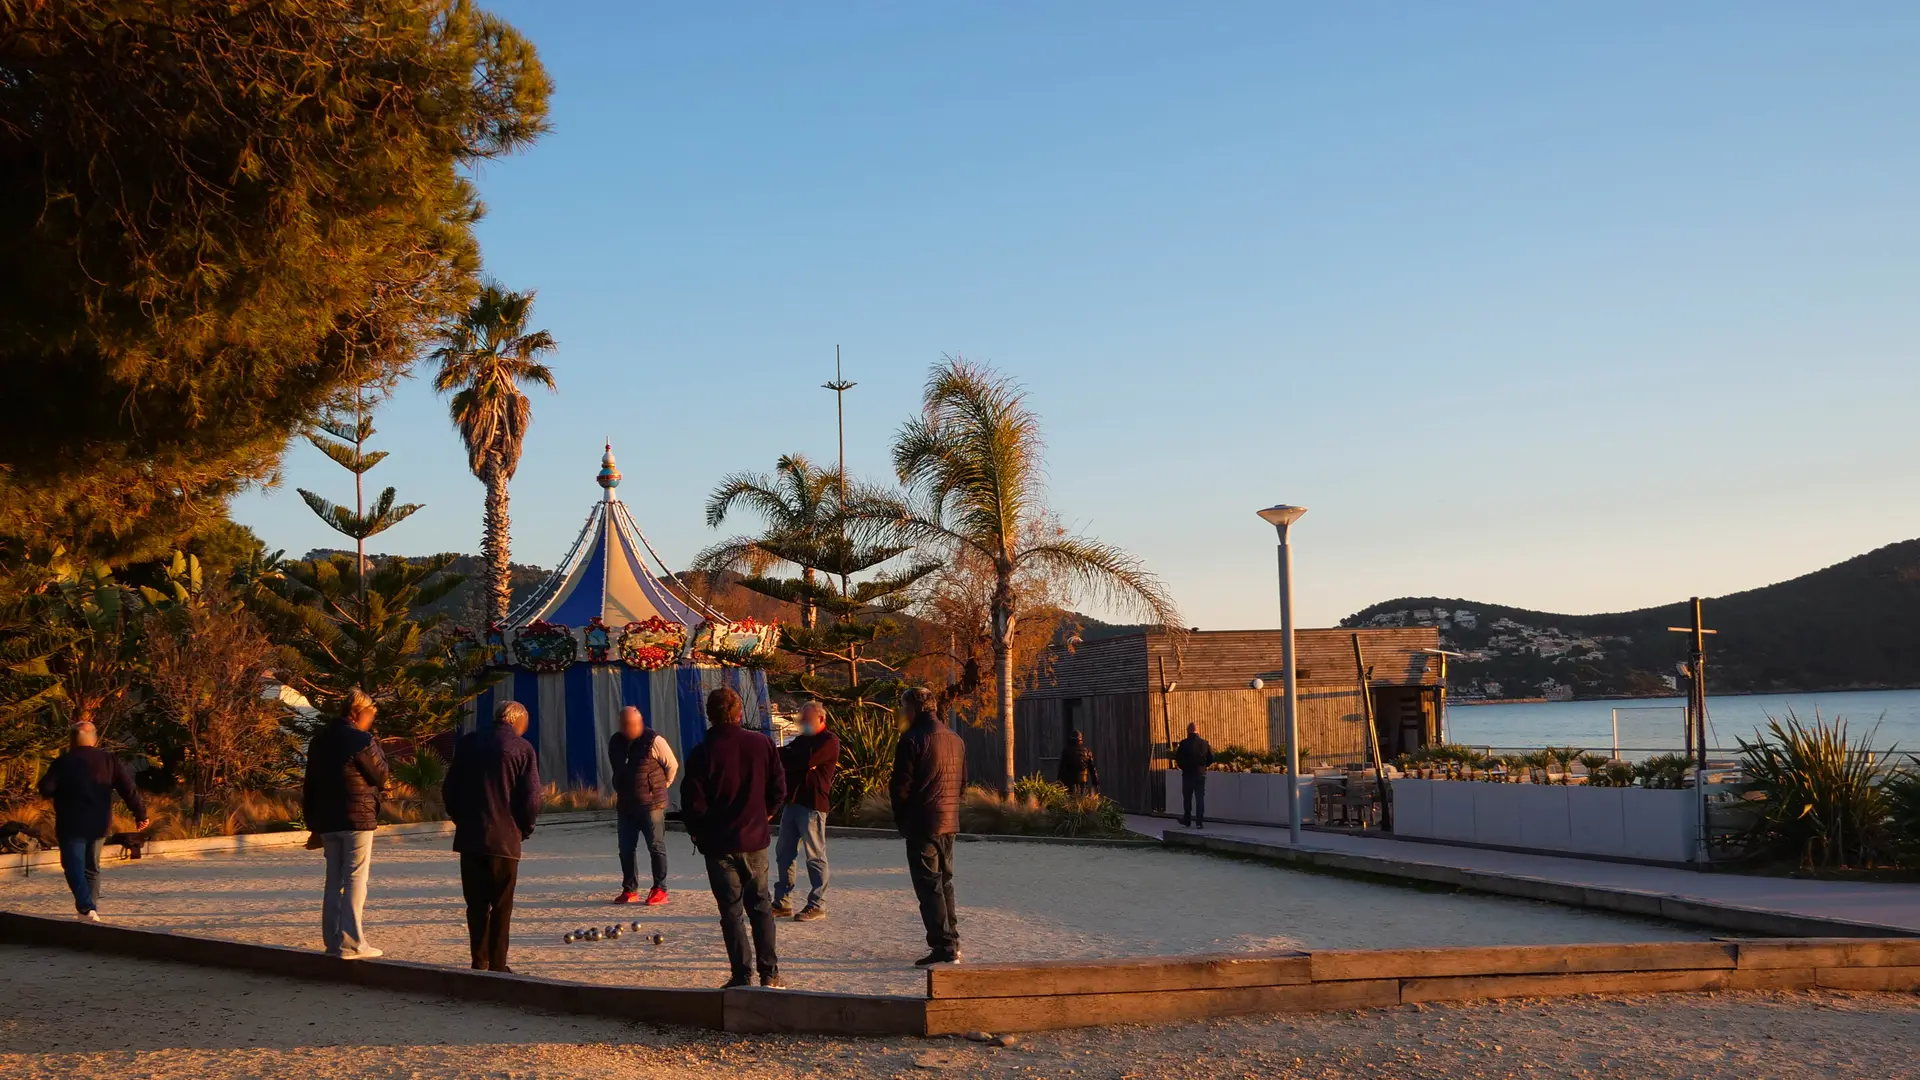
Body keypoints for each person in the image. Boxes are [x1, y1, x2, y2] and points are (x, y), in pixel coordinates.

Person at [680, 686, 785, 988]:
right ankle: (770, 973)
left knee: (731, 912)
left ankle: (741, 975)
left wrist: (699, 834)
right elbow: (779, 787)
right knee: (761, 907)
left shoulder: (702, 753)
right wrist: (766, 814)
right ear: (739, 713)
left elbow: (693, 803)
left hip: (719, 842)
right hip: (754, 838)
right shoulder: (763, 744)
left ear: (710, 716)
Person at [443, 700, 541, 973]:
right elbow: (532, 797)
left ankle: (479, 960)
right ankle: (498, 965)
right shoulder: (522, 748)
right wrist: (525, 828)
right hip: (505, 838)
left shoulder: (467, 744)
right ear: (517, 721)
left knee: (475, 905)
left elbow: (450, 788)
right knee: (501, 906)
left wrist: (460, 818)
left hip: (471, 836)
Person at [302, 687, 391, 958]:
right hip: (357, 818)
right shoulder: (361, 740)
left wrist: (313, 824)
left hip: (327, 819)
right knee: (355, 879)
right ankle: (352, 943)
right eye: (370, 715)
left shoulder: (319, 740)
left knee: (334, 881)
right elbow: (380, 775)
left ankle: (333, 941)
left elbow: (310, 785)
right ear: (358, 713)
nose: (371, 721)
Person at [37, 720, 146, 921]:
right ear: (94, 739)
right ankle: (90, 910)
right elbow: (128, 789)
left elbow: (46, 788)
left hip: (71, 824)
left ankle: (87, 908)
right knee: (92, 867)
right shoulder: (110, 760)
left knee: (73, 867)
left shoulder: (62, 762)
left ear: (71, 740)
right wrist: (140, 814)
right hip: (100, 823)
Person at [889, 687, 966, 966]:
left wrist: (902, 818)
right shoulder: (955, 738)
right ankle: (952, 940)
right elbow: (962, 783)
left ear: (913, 709)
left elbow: (900, 787)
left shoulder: (911, 739)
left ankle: (943, 946)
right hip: (949, 819)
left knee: (928, 885)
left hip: (922, 821)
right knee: (944, 882)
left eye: (903, 707)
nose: (902, 712)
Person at [771, 701, 838, 920]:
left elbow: (805, 760)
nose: (804, 723)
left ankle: (817, 903)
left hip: (813, 804)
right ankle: (782, 902)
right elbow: (783, 756)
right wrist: (795, 760)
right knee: (784, 853)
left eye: (807, 720)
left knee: (815, 855)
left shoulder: (829, 741)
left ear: (821, 719)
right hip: (792, 802)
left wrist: (796, 760)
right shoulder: (802, 740)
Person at [607, 705, 678, 905]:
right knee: (625, 848)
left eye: (633, 724)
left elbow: (672, 765)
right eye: (625, 725)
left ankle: (660, 889)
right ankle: (630, 889)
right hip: (626, 805)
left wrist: (662, 786)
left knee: (655, 846)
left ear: (640, 723)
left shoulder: (654, 741)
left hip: (651, 805)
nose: (629, 729)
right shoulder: (616, 742)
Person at [1174, 722, 1214, 828]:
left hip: (1187, 774)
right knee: (1200, 798)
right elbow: (1211, 757)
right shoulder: (1205, 743)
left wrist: (1184, 767)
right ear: (1198, 730)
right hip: (1200, 774)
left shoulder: (1184, 744)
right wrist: (1204, 766)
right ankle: (1199, 822)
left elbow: (1178, 758)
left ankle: (1187, 820)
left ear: (1188, 730)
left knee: (1187, 798)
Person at [1057, 729, 1099, 798]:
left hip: (1070, 782)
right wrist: (1095, 782)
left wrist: (1059, 782)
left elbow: (1062, 768)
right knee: (1082, 798)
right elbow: (1092, 768)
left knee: (1071, 799)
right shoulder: (1087, 751)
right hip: (1083, 781)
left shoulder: (1067, 751)